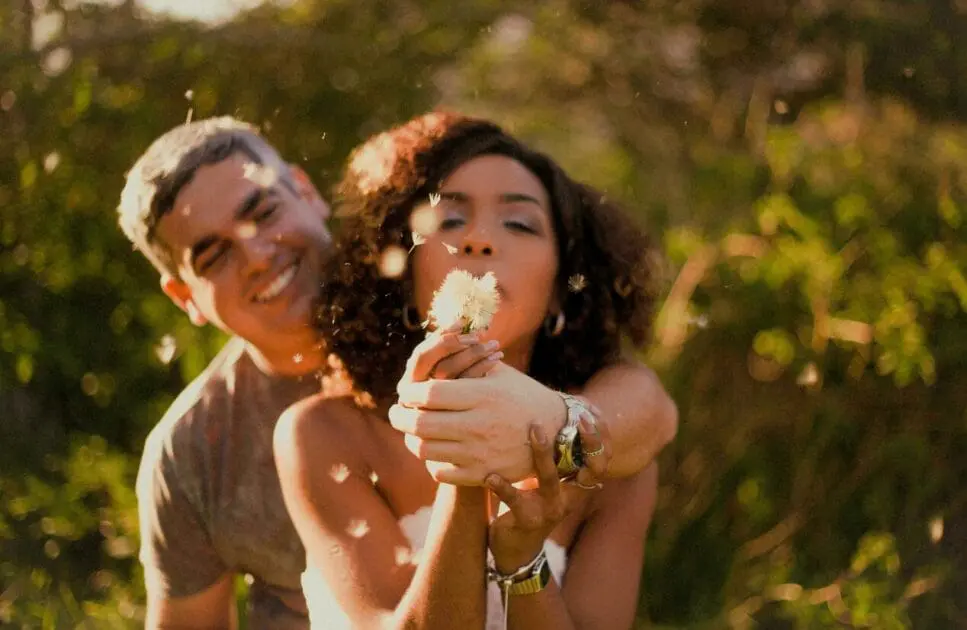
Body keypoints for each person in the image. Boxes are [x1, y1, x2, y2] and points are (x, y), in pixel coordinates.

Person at [118, 116, 677, 628]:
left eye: (262, 212)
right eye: (213, 255)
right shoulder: (206, 447)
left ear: (306, 192)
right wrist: (465, 449)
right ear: (184, 296)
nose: (258, 255)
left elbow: (646, 412)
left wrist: (545, 436)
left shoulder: (597, 407)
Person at [275, 112, 664, 629]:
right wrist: (464, 462)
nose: (479, 239)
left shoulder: (613, 464)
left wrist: (523, 559)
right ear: (407, 279)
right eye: (450, 221)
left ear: (556, 295)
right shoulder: (322, 434)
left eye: (520, 223)